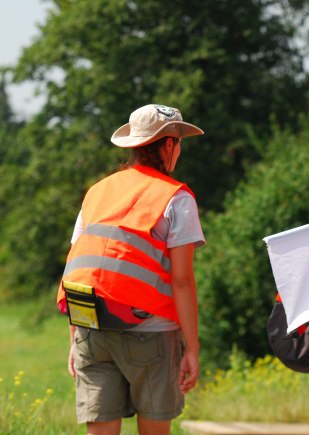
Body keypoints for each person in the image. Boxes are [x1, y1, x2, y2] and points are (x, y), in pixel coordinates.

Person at [56, 104, 206, 434]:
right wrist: (191, 349)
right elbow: (182, 280)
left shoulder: (97, 192)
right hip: (149, 332)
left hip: (91, 328)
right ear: (169, 145)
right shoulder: (176, 198)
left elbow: (82, 265)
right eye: (179, 142)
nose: (179, 150)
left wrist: (75, 339)